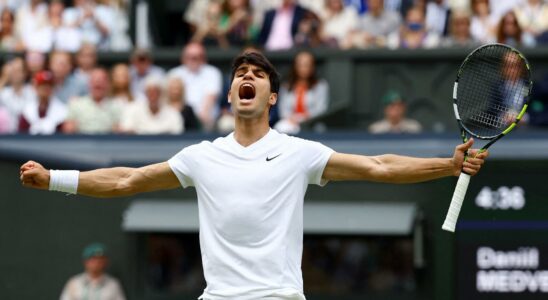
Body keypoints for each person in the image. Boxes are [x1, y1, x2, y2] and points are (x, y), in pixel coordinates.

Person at [20, 51, 488, 300]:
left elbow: (379, 167)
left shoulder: (298, 152)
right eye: (240, 73)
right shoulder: (201, 157)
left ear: (270, 98)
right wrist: (55, 178)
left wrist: (446, 167)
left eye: (257, 75)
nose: (247, 76)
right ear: (230, 95)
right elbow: (125, 180)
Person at [168, 42, 222, 131]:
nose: (193, 60)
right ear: (183, 58)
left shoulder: (212, 72)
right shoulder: (174, 73)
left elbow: (210, 98)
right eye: (190, 57)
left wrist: (200, 121)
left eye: (197, 57)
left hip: (204, 120)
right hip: (179, 117)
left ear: (203, 58)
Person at [274, 50, 328, 134]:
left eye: (307, 65)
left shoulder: (320, 85)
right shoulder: (286, 85)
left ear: (312, 66)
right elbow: (283, 109)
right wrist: (291, 119)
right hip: (290, 122)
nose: (303, 68)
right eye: (300, 65)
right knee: (280, 128)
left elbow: (321, 109)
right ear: (295, 66)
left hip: (311, 123)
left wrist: (305, 117)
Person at [62, 68, 122, 134]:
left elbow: (119, 130)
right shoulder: (76, 104)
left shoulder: (116, 105)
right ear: (89, 83)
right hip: (82, 142)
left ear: (108, 84)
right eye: (94, 80)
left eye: (101, 80)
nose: (98, 82)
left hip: (108, 142)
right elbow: (68, 129)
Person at [60, 243, 126, 300]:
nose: (97, 264)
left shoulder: (113, 284)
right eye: (93, 260)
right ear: (86, 262)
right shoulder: (74, 283)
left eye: (100, 261)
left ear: (106, 262)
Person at [18, 70, 67, 135]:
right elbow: (21, 136)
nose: (46, 88)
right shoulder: (27, 110)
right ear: (36, 87)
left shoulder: (62, 110)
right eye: (42, 85)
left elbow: (64, 137)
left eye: (49, 85)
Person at [0, 57, 34, 133]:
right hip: (7, 136)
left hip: (28, 136)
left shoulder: (32, 92)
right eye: (13, 70)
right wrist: (4, 77)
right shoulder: (4, 93)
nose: (15, 74)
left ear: (25, 73)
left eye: (18, 71)